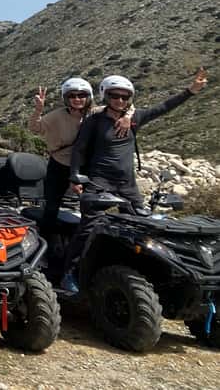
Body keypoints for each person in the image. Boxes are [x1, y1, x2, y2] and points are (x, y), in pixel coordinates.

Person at [62, 68, 209, 292]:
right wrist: (75, 177)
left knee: (142, 226)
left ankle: (136, 271)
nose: (120, 100)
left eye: (125, 97)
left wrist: (190, 91)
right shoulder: (95, 121)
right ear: (105, 96)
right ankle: (70, 272)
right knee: (89, 227)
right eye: (114, 96)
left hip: (127, 184)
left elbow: (164, 107)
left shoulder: (134, 118)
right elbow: (79, 150)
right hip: (99, 181)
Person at [28, 78, 132, 237]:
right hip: (60, 165)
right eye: (72, 96)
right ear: (66, 98)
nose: (77, 99)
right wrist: (38, 110)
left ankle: (84, 239)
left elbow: (125, 105)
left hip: (86, 167)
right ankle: (47, 240)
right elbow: (35, 128)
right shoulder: (57, 115)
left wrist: (127, 117)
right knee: (52, 205)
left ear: (88, 96)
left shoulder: (96, 112)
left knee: (89, 206)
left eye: (82, 95)